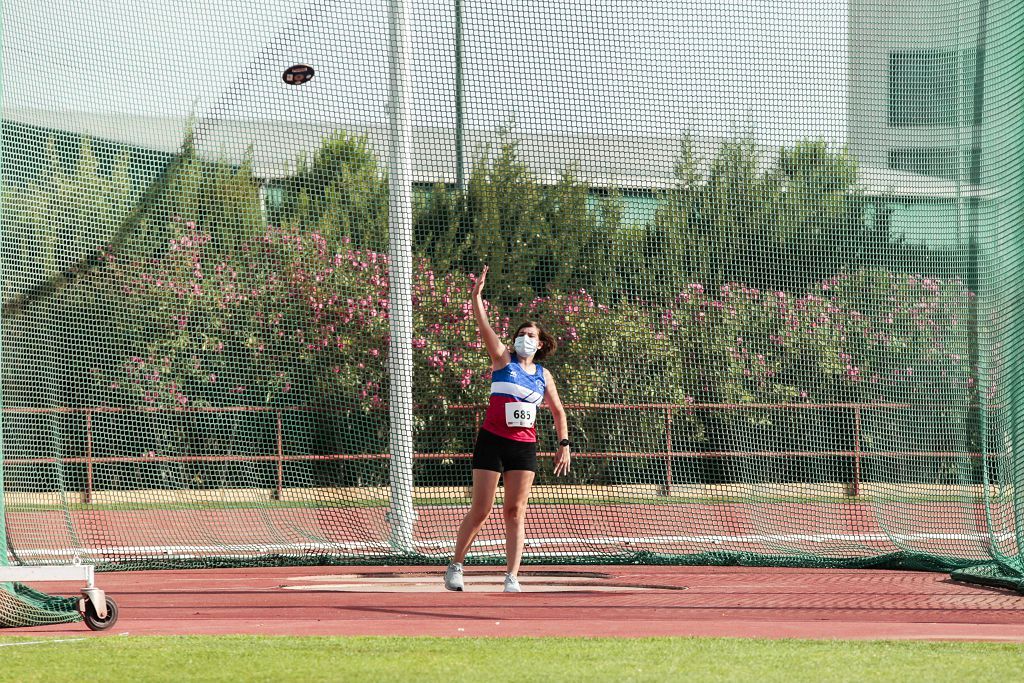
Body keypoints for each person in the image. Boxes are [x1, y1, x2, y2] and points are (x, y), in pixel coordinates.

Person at [444, 265, 572, 593]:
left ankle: (512, 576)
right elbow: (483, 326)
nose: (524, 338)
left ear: (540, 344)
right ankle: (456, 566)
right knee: (482, 509)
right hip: (491, 441)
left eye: (531, 335)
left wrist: (564, 443)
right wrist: (476, 298)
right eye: (521, 334)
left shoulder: (543, 375)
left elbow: (558, 411)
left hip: (522, 446)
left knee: (515, 511)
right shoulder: (503, 361)